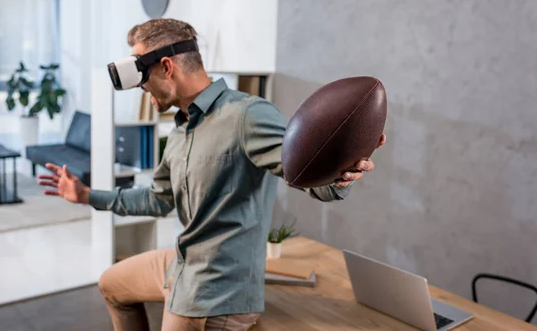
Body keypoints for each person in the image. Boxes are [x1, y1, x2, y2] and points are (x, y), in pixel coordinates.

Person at [38, 18, 386, 331]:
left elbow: (311, 181)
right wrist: (86, 195)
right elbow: (157, 200)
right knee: (112, 283)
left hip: (218, 292)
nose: (141, 88)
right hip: (183, 263)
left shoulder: (246, 115)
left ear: (167, 67)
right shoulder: (177, 133)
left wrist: (344, 171)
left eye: (142, 78)